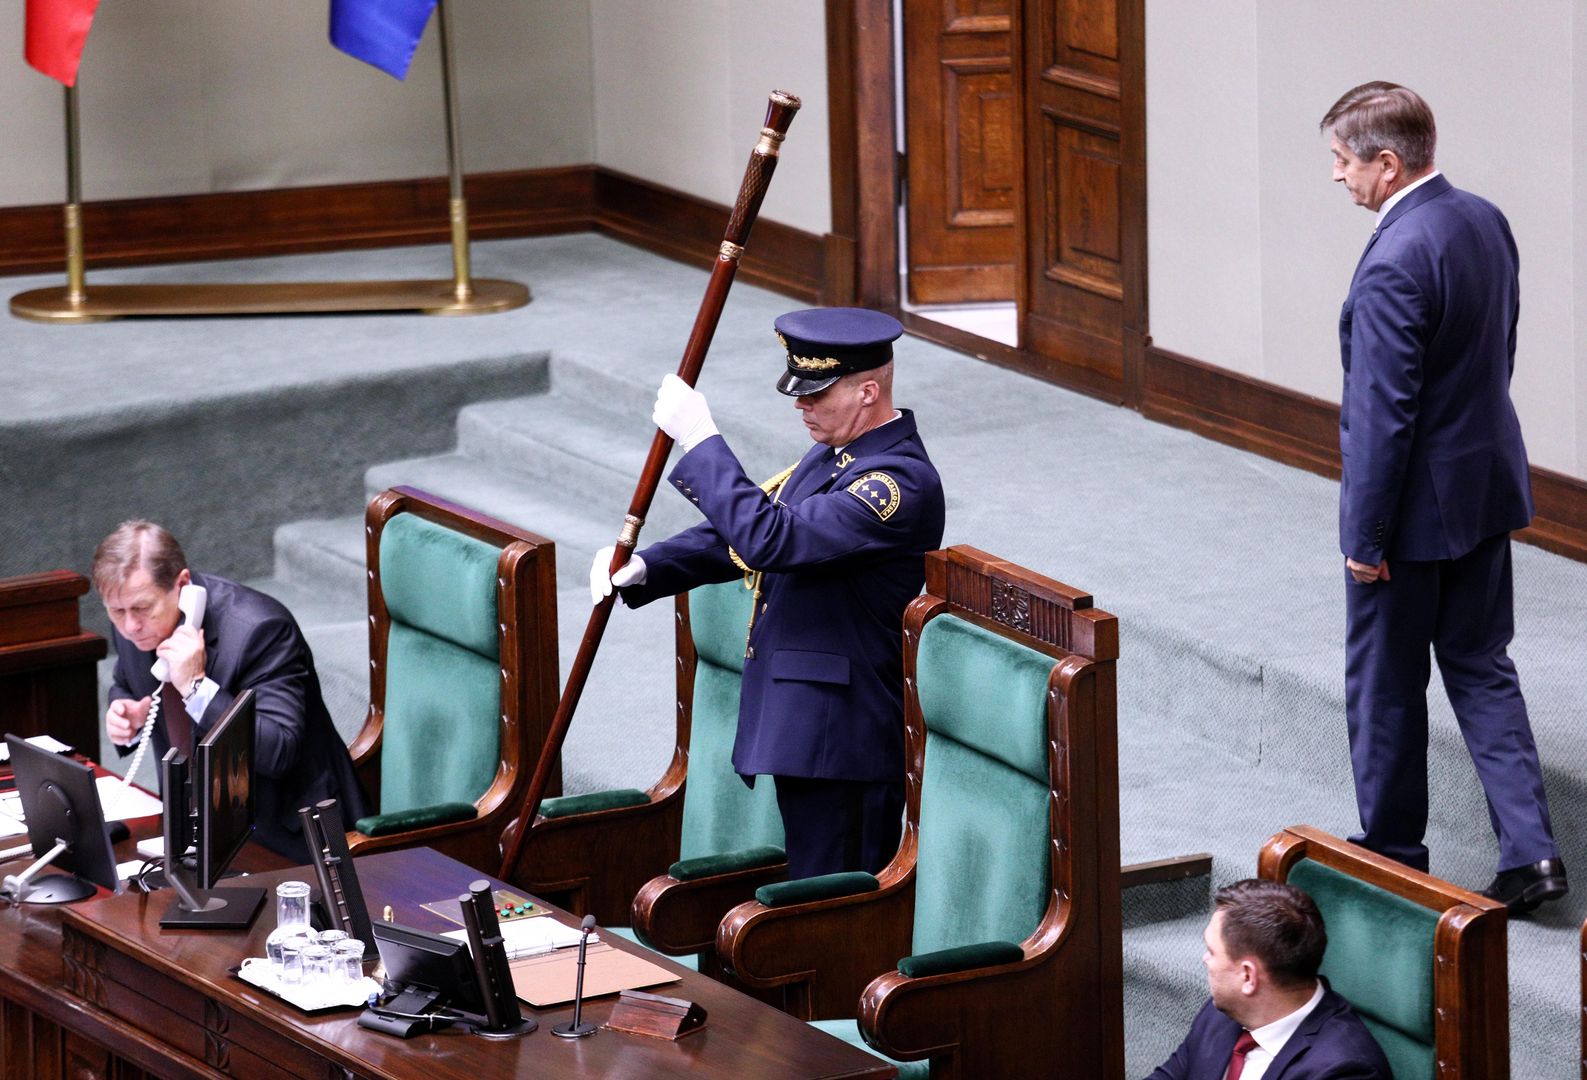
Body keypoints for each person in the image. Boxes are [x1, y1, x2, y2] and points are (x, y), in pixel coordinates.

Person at [590, 307, 945, 879]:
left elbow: (772, 539)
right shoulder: (837, 455)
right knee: (810, 888)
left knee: (832, 905)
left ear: (867, 392)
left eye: (817, 393)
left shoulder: (895, 483)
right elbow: (753, 524)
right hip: (809, 724)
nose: (800, 404)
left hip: (845, 740)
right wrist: (649, 568)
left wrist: (702, 442)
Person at [1321, 81, 1564, 913]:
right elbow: (1496, 354)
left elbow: (1383, 416)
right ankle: (1531, 853)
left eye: (1342, 160)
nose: (1335, 176)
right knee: (1481, 667)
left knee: (1383, 686)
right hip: (1482, 490)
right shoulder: (1482, 220)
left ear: (1386, 165)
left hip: (1410, 522)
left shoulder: (1394, 259)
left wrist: (1366, 537)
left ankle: (1391, 856)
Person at [96, 520, 369, 859]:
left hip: (287, 837)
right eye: (116, 611)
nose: (130, 626)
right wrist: (128, 713)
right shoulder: (130, 618)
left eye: (142, 608)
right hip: (194, 831)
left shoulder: (260, 630)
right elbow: (126, 681)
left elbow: (279, 750)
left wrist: (197, 689)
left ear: (182, 585)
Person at [1147, 879, 1391, 1080]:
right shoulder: (1222, 1014)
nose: (1205, 960)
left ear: (1247, 976)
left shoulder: (1345, 1071)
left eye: (1212, 951)